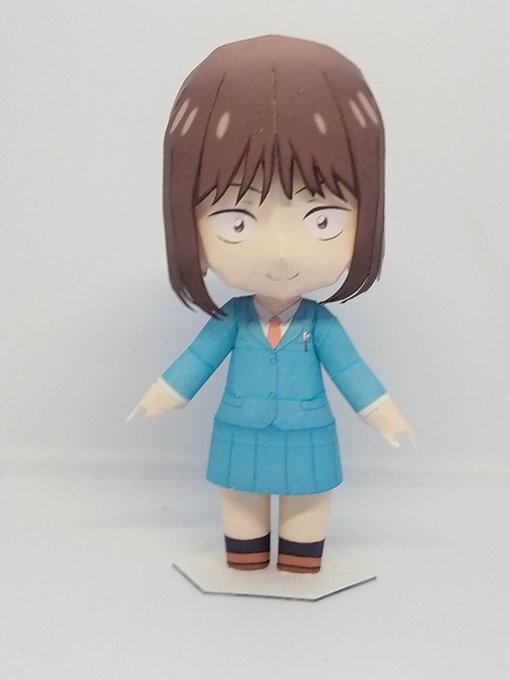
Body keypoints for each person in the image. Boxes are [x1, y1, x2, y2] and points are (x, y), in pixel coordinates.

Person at [128, 35, 416, 574]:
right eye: (237, 222)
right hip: (240, 432)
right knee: (241, 504)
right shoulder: (233, 321)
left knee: (308, 506)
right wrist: (165, 392)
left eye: (322, 220)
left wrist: (383, 412)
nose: (281, 253)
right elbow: (196, 361)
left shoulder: (319, 326)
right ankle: (246, 555)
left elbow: (352, 372)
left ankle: (303, 561)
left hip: (308, 436)